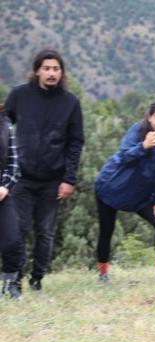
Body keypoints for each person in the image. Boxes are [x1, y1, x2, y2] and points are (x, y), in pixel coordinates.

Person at [1, 48, 84, 291]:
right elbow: (4, 128)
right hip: (21, 178)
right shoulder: (19, 95)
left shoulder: (71, 103)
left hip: (53, 179)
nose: (51, 73)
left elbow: (75, 142)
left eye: (56, 69)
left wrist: (69, 179)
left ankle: (37, 278)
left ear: (62, 73)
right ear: (37, 70)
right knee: (17, 231)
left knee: (45, 233)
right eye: (46, 68)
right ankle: (13, 281)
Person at [93, 101, 155, 282]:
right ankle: (103, 274)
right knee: (106, 230)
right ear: (149, 117)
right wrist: (144, 146)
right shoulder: (138, 131)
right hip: (112, 186)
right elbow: (124, 155)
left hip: (142, 195)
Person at [0, 103, 22, 299]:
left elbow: (14, 163)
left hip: (1, 193)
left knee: (12, 241)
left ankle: (9, 285)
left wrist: (5, 186)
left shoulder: (6, 126)